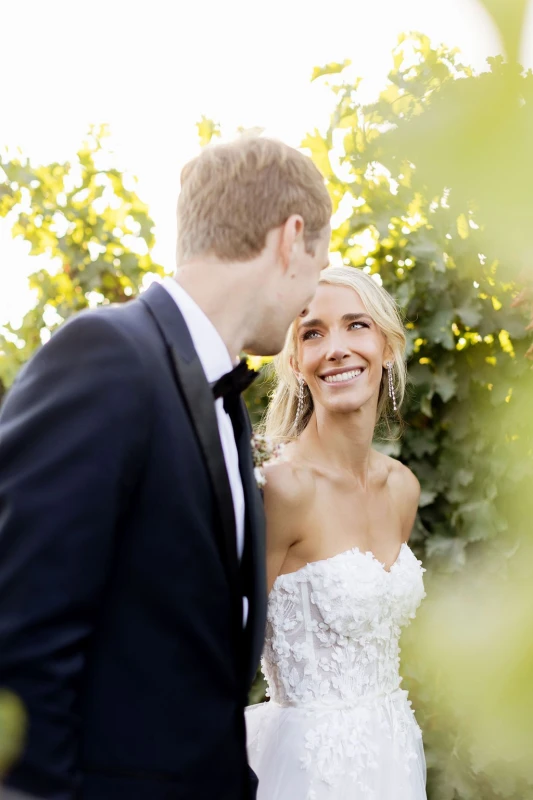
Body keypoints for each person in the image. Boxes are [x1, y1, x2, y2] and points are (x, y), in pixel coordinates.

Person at [0, 135, 332, 800]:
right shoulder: (106, 355)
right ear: (292, 237)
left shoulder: (223, 404)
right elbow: (19, 642)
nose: (315, 287)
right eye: (322, 258)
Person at [246, 265, 427, 800]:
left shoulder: (403, 488)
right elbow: (221, 644)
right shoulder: (283, 490)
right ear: (297, 362)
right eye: (313, 333)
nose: (337, 348)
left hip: (394, 752)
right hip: (306, 772)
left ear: (387, 348)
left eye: (356, 325)